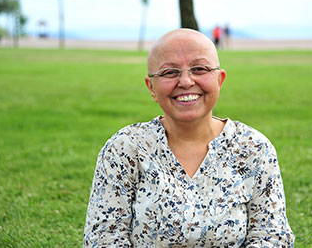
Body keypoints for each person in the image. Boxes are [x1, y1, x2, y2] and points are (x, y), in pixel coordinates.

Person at [83, 28, 295, 247]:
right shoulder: (125, 149)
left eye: (200, 69)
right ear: (151, 87)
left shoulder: (254, 149)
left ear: (219, 80)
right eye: (169, 72)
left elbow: (272, 238)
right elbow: (103, 239)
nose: (185, 81)